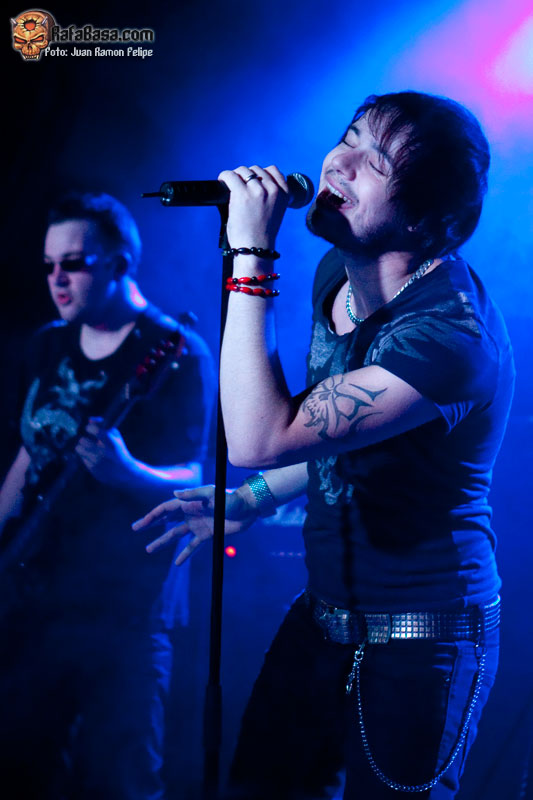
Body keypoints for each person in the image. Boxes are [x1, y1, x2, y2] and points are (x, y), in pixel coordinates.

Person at [134, 92, 515, 799]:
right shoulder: (337, 272)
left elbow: (259, 435)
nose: (339, 161)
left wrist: (251, 255)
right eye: (349, 136)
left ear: (422, 219)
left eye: (375, 161)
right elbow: (333, 433)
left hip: (425, 639)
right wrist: (251, 498)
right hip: (325, 613)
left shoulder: (449, 341)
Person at [0, 192, 215, 799]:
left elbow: (195, 479)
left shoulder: (177, 352)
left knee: (119, 780)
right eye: (49, 265)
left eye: (74, 264)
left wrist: (126, 472)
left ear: (120, 264)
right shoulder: (46, 345)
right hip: (36, 596)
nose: (57, 279)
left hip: (127, 609)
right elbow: (27, 455)